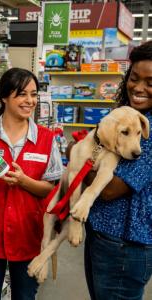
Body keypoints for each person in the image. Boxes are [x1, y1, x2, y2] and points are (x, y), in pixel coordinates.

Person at [0, 68, 63, 300]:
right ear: (4, 97)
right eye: (22, 94)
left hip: (28, 234)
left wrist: (24, 181)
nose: (30, 101)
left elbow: (50, 188)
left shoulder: (47, 139)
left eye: (34, 94)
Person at [84, 41, 152, 299]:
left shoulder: (147, 130)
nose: (138, 88)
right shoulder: (128, 115)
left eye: (150, 83)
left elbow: (110, 190)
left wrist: (77, 156)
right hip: (104, 237)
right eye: (134, 78)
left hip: (125, 245)